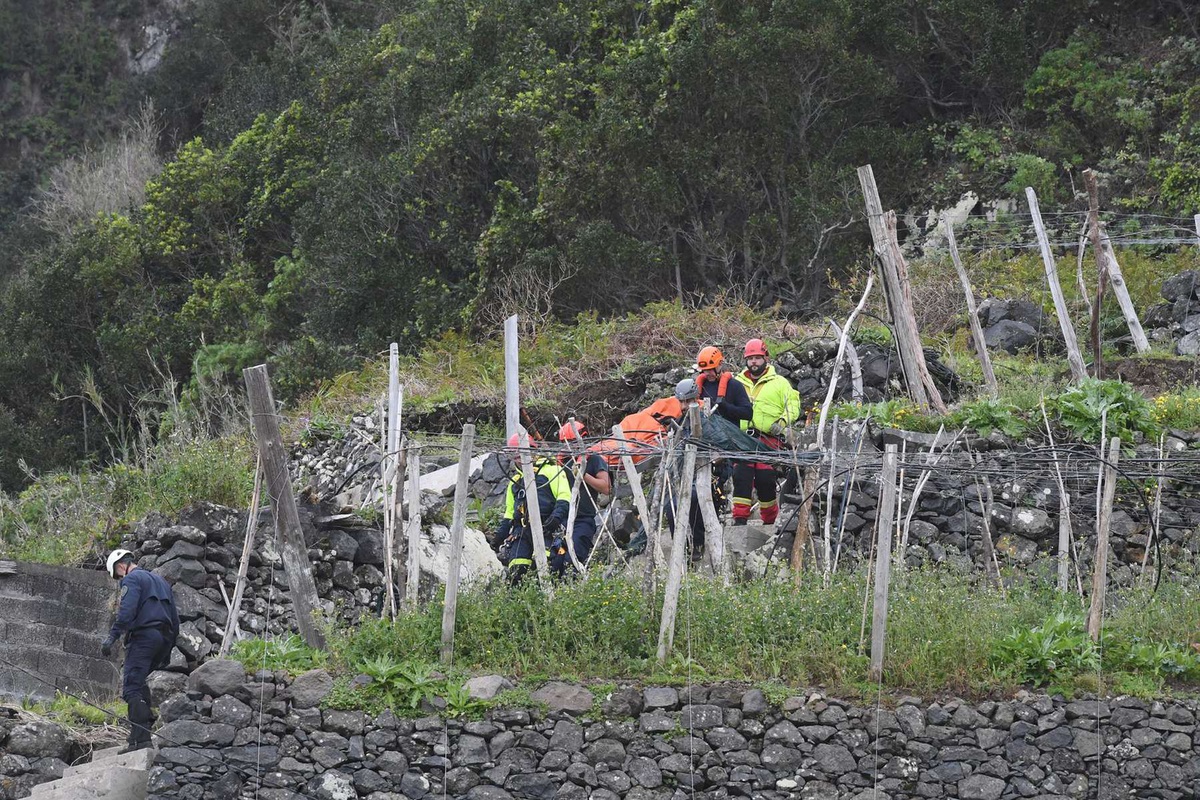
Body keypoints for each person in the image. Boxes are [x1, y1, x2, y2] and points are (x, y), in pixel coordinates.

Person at [101, 549, 179, 753]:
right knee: (140, 682)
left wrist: (112, 637)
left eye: (118, 576)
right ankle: (140, 731)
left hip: (143, 637)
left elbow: (127, 613)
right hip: (162, 638)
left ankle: (141, 738)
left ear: (120, 566)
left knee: (131, 688)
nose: (120, 579)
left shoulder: (132, 579)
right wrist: (167, 649)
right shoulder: (161, 581)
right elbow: (175, 620)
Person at [731, 338, 801, 526]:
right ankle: (739, 520)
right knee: (741, 477)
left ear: (766, 359)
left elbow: (793, 405)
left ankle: (769, 521)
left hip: (768, 439)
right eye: (750, 358)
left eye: (758, 358)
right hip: (743, 438)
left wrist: (782, 422)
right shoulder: (737, 382)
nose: (754, 362)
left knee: (765, 480)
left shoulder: (780, 383)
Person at [492, 433, 572, 584]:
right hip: (521, 533)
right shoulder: (515, 482)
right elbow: (510, 513)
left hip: (547, 530)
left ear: (533, 451)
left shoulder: (552, 470)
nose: (518, 458)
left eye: (520, 453)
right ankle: (519, 603)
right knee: (517, 570)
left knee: (546, 567)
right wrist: (499, 536)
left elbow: (564, 497)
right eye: (514, 454)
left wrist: (554, 519)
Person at [553, 421, 611, 575]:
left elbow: (606, 487)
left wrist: (583, 475)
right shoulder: (561, 462)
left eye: (572, 443)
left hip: (583, 520)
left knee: (572, 562)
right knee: (555, 563)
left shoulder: (593, 459)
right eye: (565, 444)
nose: (569, 447)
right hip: (562, 520)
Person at [693, 346, 753, 426]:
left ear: (720, 364)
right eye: (704, 370)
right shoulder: (698, 387)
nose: (707, 373)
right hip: (706, 435)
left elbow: (748, 414)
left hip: (730, 436)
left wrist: (726, 407)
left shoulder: (734, 385)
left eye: (710, 369)